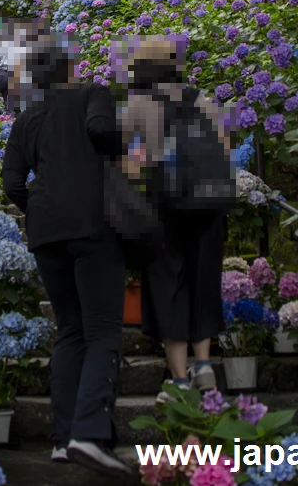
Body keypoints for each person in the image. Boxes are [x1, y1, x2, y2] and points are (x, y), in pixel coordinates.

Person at [3, 46, 133, 478]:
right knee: (102, 331)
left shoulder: (27, 119)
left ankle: (62, 439)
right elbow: (100, 129)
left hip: (45, 232)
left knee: (70, 330)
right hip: (94, 222)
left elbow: (11, 182)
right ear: (69, 71)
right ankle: (90, 434)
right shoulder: (91, 94)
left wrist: (40, 208)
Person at [119, 37, 232, 403]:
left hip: (163, 206)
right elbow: (224, 147)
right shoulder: (200, 99)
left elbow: (128, 162)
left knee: (168, 283)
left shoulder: (137, 104)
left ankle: (180, 380)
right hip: (208, 203)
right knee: (203, 279)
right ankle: (204, 365)